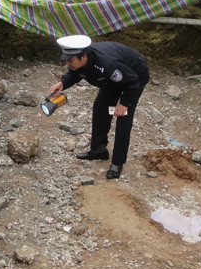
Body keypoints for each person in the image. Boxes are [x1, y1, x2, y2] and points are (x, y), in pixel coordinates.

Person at [49, 35, 150, 180]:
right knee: (101, 108)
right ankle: (99, 150)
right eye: (66, 59)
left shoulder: (106, 63)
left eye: (70, 60)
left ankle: (117, 163)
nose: (67, 62)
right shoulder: (84, 60)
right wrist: (63, 83)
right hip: (112, 80)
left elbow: (132, 81)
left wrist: (124, 104)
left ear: (83, 56)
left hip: (134, 76)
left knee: (123, 117)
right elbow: (76, 72)